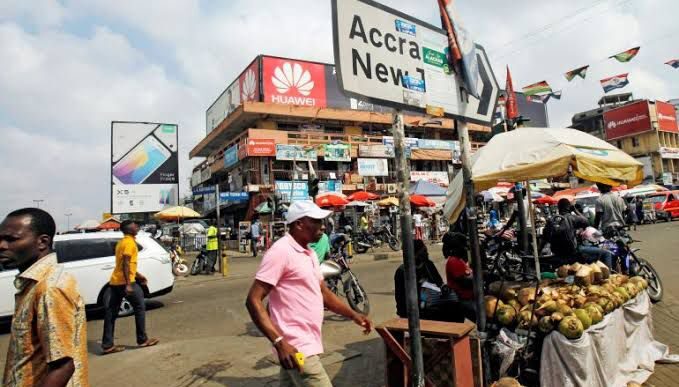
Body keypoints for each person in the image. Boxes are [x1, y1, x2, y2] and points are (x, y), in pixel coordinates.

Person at [246, 201, 371, 387]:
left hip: (301, 346)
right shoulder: (281, 252)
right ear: (299, 224)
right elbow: (253, 300)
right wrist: (280, 342)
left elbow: (322, 292)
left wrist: (352, 314)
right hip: (298, 349)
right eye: (316, 221)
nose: (322, 227)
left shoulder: (309, 253)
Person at [1, 208, 89, 386]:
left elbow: (63, 367)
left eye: (11, 239)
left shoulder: (50, 287)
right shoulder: (34, 284)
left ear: (42, 242)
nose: (2, 245)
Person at [102, 220, 159, 354]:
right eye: (135, 226)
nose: (137, 228)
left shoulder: (122, 242)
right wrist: (128, 284)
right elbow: (126, 263)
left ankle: (107, 345)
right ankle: (142, 339)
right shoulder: (129, 243)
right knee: (140, 308)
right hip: (126, 282)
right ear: (129, 229)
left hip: (115, 282)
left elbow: (125, 264)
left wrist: (139, 275)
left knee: (111, 313)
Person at [394, 239, 463, 322]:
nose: (427, 253)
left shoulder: (428, 264)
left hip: (429, 303)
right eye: (424, 251)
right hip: (415, 309)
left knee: (457, 306)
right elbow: (402, 299)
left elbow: (439, 283)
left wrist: (444, 289)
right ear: (415, 254)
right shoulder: (403, 271)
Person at [542, 199, 613, 268]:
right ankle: (608, 277)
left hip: (558, 253)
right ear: (569, 207)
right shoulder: (572, 218)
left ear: (558, 208)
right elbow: (587, 222)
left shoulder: (551, 220)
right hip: (574, 252)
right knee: (606, 253)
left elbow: (545, 238)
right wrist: (575, 210)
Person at [443, 232, 477, 322]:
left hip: (468, 298)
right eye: (464, 246)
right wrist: (478, 278)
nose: (466, 248)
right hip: (463, 300)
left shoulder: (460, 260)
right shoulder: (454, 261)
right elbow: (464, 282)